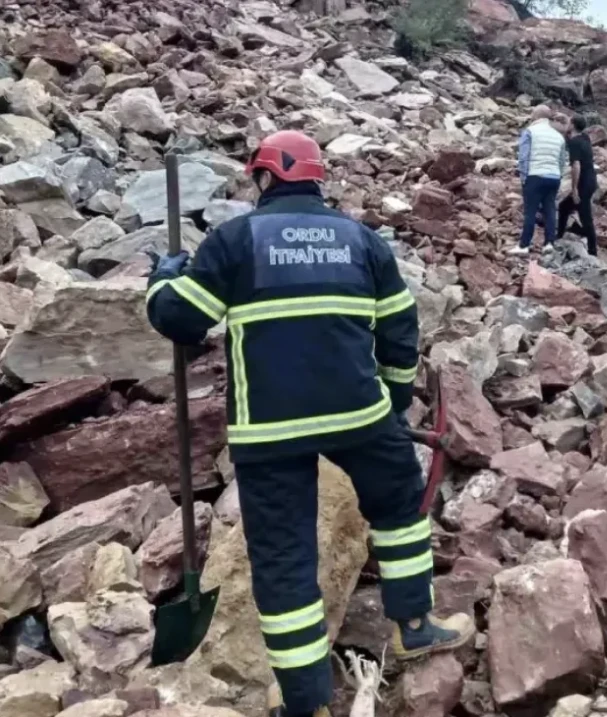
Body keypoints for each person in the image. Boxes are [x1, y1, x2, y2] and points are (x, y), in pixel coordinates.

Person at [145, 130, 475, 717]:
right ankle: (414, 626)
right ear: (317, 179)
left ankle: (306, 702)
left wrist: (163, 279)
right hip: (359, 415)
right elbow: (401, 327)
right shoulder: (360, 240)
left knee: (283, 557)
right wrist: (395, 402)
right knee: (400, 507)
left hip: (270, 432)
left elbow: (181, 320)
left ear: (265, 177)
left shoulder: (235, 240)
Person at [509, 105, 568, 256]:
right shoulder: (558, 136)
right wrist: (558, 175)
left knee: (530, 211)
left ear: (536, 115)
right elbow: (562, 160)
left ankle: (524, 245)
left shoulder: (530, 131)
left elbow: (524, 157)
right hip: (554, 177)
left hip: (535, 175)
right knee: (550, 210)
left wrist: (524, 178)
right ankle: (549, 243)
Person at [555, 114, 599, 256]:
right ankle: (561, 235)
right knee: (564, 207)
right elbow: (569, 138)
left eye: (569, 122)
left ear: (573, 125)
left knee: (586, 217)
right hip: (592, 180)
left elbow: (576, 166)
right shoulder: (585, 138)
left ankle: (593, 252)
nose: (567, 124)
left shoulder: (575, 142)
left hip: (583, 184)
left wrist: (574, 189)